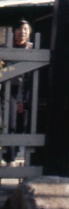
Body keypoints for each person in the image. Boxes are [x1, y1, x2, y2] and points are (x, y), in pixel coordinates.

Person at [3, 20, 34, 166]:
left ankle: (12, 152)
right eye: (20, 29)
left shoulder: (33, 49)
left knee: (23, 125)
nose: (22, 32)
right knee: (10, 122)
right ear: (14, 31)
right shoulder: (5, 48)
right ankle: (10, 157)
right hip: (10, 90)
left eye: (26, 29)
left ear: (30, 32)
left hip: (28, 91)